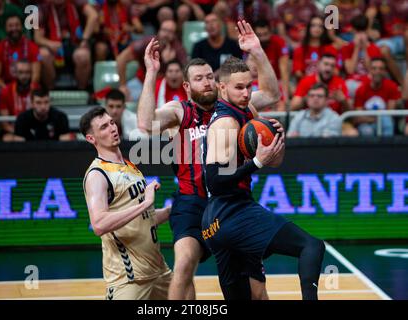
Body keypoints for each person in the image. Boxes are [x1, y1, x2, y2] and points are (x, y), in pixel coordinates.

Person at [137, 20, 281, 300]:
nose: (207, 82)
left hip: (229, 201)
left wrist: (257, 51)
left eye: (210, 77)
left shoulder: (236, 107)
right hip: (191, 202)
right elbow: (145, 123)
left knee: (252, 285)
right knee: (184, 263)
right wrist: (152, 72)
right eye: (199, 78)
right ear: (188, 86)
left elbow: (273, 94)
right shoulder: (179, 111)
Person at [202, 20, 325, 300]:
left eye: (248, 87)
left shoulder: (246, 107)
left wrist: (257, 51)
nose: (246, 93)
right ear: (222, 89)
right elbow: (215, 181)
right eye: (239, 88)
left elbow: (272, 94)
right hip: (231, 210)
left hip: (215, 223)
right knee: (312, 247)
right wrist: (256, 162)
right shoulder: (225, 124)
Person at [80, 106, 172, 300]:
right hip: (129, 280)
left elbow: (144, 219)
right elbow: (99, 224)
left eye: (112, 122)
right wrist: (145, 203)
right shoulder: (97, 175)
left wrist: (174, 210)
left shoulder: (130, 166)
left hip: (160, 272)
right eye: (104, 127)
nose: (112, 128)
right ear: (91, 138)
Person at [116, 19, 187, 101]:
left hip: (165, 86)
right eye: (164, 30)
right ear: (159, 30)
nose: (166, 34)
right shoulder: (147, 43)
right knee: (122, 98)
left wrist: (169, 62)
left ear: (175, 35)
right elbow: (121, 58)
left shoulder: (178, 49)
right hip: (142, 82)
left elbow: (185, 73)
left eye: (170, 32)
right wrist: (123, 85)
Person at [34, 0, 98, 90]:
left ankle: (81, 91)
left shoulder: (76, 2)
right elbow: (37, 38)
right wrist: (50, 44)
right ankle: (50, 90)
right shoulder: (41, 8)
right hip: (53, 46)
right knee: (43, 55)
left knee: (83, 56)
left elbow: (93, 15)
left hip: (75, 43)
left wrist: (84, 39)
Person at [352, 57, 401, 136]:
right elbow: (358, 118)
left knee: (387, 121)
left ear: (385, 71)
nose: (377, 71)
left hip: (384, 122)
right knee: (367, 130)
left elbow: (390, 113)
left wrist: (374, 118)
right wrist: (375, 119)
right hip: (366, 124)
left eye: (381, 69)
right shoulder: (361, 89)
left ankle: (388, 147)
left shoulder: (391, 86)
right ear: (370, 70)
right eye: (374, 68)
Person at [0, 60, 34, 142]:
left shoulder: (36, 89)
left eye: (27, 72)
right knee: (8, 139)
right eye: (21, 73)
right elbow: (5, 124)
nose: (24, 76)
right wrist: (22, 134)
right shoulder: (6, 91)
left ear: (31, 73)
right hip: (13, 131)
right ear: (15, 73)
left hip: (32, 130)